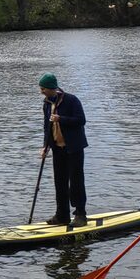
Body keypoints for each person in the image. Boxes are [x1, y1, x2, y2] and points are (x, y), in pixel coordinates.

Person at [38, 74, 88, 226]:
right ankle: (62, 215)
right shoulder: (46, 103)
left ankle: (80, 215)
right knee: (59, 182)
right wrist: (45, 147)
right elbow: (47, 127)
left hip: (74, 148)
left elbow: (81, 120)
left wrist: (61, 119)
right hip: (57, 149)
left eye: (43, 88)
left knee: (76, 182)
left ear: (52, 88)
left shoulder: (71, 100)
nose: (41, 91)